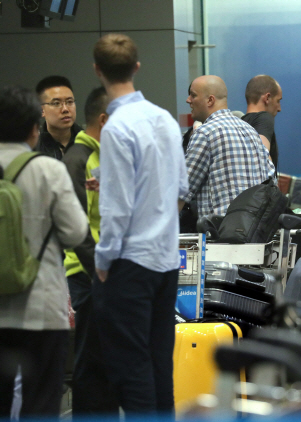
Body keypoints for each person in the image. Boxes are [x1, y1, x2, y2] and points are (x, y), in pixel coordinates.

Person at [0, 86, 88, 417]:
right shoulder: (48, 171)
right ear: (33, 129)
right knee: (41, 405)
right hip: (40, 309)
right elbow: (75, 232)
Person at [91, 33, 188, 414]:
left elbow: (117, 209)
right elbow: (180, 188)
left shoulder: (116, 127)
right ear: (136, 67)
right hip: (166, 261)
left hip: (130, 265)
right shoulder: (163, 118)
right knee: (159, 365)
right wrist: (159, 220)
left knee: (131, 370)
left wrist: (102, 261)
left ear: (97, 70)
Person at [61, 86, 117, 414]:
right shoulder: (77, 160)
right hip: (87, 275)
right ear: (104, 118)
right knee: (90, 362)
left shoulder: (103, 155)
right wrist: (100, 271)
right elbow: (77, 229)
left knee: (106, 360)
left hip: (104, 271)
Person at [181, 75, 274, 218]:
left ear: (210, 100)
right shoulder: (251, 131)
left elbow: (183, 190)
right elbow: (271, 180)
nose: (188, 100)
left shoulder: (205, 133)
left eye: (193, 95)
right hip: (256, 233)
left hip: (222, 235)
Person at [241, 75, 282, 172]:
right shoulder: (265, 118)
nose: (279, 108)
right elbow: (262, 156)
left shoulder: (239, 123)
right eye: (278, 101)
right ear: (267, 98)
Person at [35, 76, 82, 159]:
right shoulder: (34, 148)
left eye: (70, 102)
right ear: (41, 110)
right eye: (56, 103)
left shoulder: (87, 142)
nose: (65, 109)